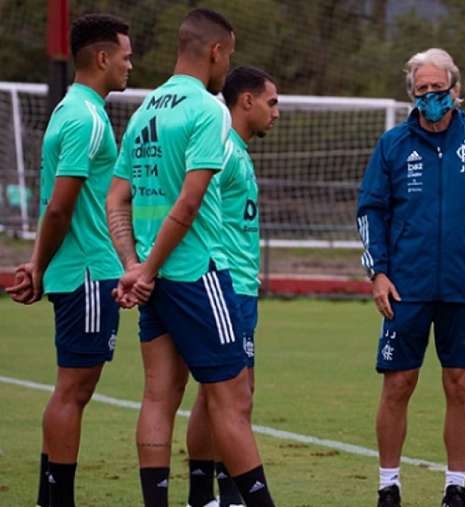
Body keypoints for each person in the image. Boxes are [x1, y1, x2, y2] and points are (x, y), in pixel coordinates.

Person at [106, 9, 275, 507]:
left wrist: (133, 267)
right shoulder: (208, 108)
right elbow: (190, 201)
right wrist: (150, 268)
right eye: (230, 54)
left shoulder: (145, 110)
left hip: (153, 280)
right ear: (217, 51)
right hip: (196, 273)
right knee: (233, 399)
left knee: (159, 396)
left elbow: (116, 198)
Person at [356, 48, 465, 507]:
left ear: (456, 92)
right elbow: (371, 211)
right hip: (405, 285)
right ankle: (388, 485)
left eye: (438, 89)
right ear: (412, 93)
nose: (430, 97)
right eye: (421, 90)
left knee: (461, 383)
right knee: (398, 382)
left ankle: (456, 486)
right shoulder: (392, 146)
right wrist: (377, 273)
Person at [5, 14, 131, 507]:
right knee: (72, 392)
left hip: (76, 268)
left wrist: (41, 263)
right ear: (101, 58)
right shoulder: (86, 118)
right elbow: (61, 204)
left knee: (70, 390)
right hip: (86, 270)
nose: (129, 65)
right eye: (125, 56)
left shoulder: (70, 109)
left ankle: (49, 497)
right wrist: (37, 263)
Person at [184, 66, 279, 507]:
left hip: (241, 286)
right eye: (271, 102)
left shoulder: (237, 149)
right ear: (246, 101)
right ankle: (222, 492)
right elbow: (194, 201)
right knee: (232, 395)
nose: (275, 112)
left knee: (220, 393)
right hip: (228, 285)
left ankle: (211, 493)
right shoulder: (223, 147)